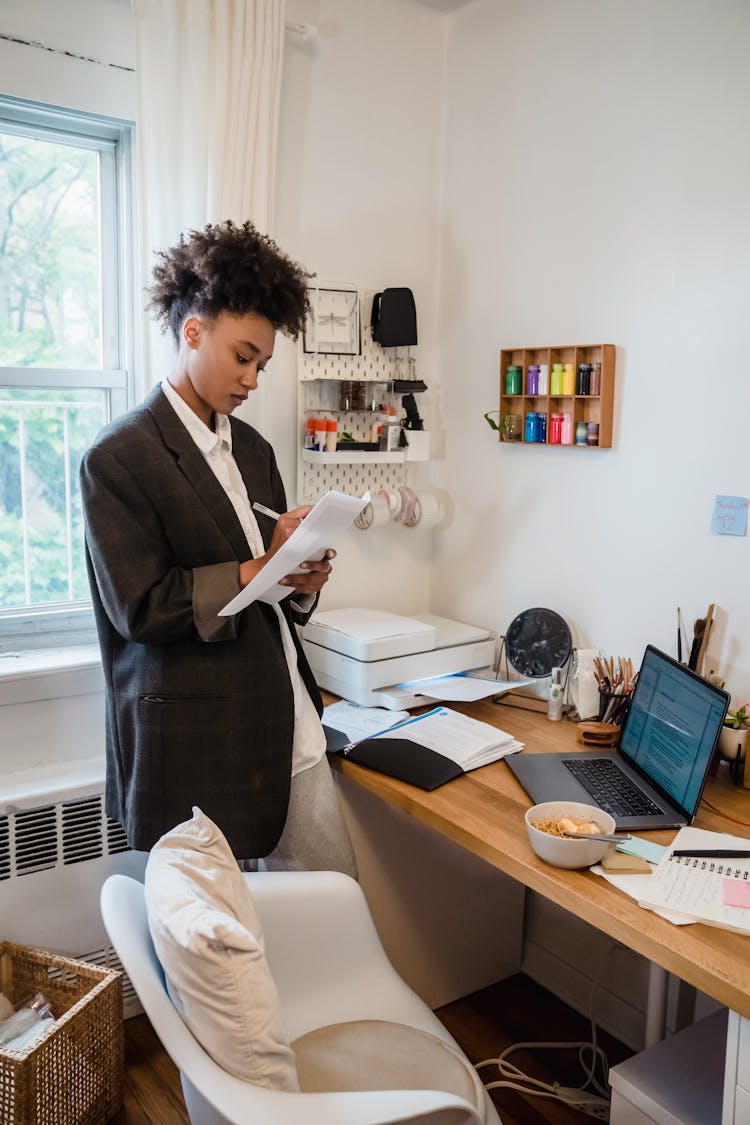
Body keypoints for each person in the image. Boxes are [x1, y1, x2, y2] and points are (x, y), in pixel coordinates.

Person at [80, 220, 357, 877]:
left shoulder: (255, 450)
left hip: (289, 721)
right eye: (243, 356)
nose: (254, 378)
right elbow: (140, 608)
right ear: (193, 330)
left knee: (328, 903)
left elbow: (267, 596)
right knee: (214, 948)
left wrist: (301, 579)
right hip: (197, 742)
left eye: (262, 362)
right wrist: (262, 565)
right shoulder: (118, 458)